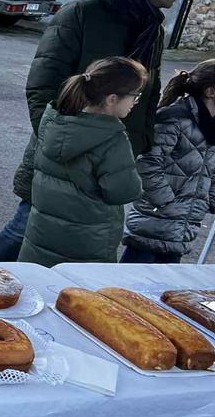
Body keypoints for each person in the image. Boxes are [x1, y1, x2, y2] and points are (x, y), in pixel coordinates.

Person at [0, 0, 200, 261]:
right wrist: (59, 146)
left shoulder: (152, 27)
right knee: (27, 227)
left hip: (113, 158)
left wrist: (140, 146)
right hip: (65, 156)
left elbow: (149, 92)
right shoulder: (83, 12)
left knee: (88, 241)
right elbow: (42, 86)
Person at [18, 57, 147, 267]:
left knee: (37, 285)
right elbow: (124, 192)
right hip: (87, 244)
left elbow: (34, 166)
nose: (135, 103)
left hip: (40, 235)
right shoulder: (112, 138)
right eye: (135, 96)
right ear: (112, 99)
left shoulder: (52, 121)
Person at [122, 57, 215, 263]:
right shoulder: (174, 118)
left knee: (164, 290)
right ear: (211, 91)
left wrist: (210, 199)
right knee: (129, 281)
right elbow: (147, 163)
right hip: (155, 219)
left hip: (185, 222)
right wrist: (166, 202)